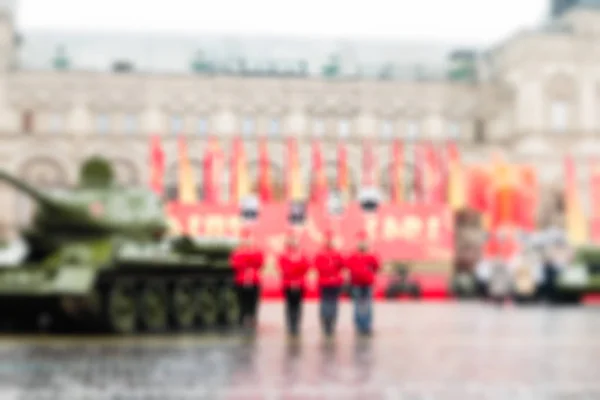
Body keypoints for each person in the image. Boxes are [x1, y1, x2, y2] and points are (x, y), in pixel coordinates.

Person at [230, 227, 264, 333]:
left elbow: (259, 261)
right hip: (241, 280)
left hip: (253, 280)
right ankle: (242, 319)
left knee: (253, 302)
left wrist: (247, 258)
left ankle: (252, 319)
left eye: (249, 239)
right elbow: (236, 263)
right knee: (242, 302)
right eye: (245, 239)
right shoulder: (237, 252)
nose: (247, 241)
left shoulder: (256, 251)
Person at [346, 231, 380, 336]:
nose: (362, 244)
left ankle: (367, 325)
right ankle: (359, 325)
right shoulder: (353, 256)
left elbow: (376, 267)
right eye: (360, 241)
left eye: (364, 241)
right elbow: (349, 267)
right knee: (357, 305)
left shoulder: (371, 255)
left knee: (368, 305)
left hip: (367, 284)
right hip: (357, 284)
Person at [277, 230, 310, 337]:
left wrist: (295, 265)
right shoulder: (284, 254)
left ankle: (296, 325)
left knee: (298, 305)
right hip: (288, 283)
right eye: (292, 239)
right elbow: (284, 268)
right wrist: (295, 265)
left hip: (300, 283)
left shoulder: (302, 253)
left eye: (295, 239)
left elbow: (306, 266)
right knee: (289, 305)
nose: (294, 242)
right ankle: (290, 325)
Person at [313, 230, 345, 337]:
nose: (329, 242)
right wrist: (330, 268)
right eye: (327, 239)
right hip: (324, 282)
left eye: (330, 240)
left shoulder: (337, 253)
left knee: (334, 304)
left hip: (335, 282)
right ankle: (325, 323)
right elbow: (318, 267)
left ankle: (332, 323)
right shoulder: (320, 254)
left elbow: (342, 265)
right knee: (325, 303)